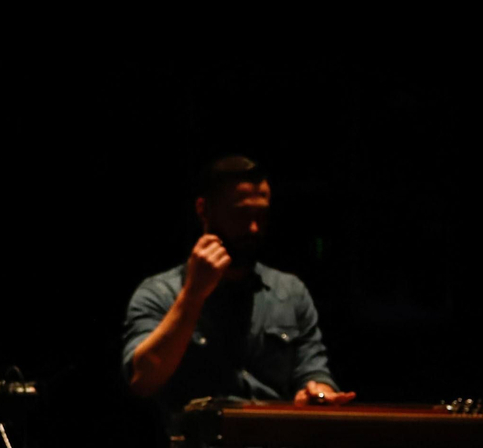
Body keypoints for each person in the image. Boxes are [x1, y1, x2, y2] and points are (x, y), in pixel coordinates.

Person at [123, 156, 354, 423]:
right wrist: (193, 294)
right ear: (204, 210)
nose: (253, 228)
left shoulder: (290, 291)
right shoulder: (160, 292)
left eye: (261, 215)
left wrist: (318, 393)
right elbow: (142, 380)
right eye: (241, 215)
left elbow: (314, 372)